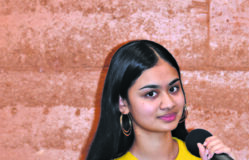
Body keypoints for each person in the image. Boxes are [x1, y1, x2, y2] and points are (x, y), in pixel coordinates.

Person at [86, 40, 235, 160]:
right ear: (122, 103)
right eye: (151, 94)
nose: (169, 103)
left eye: (173, 89)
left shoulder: (203, 156)